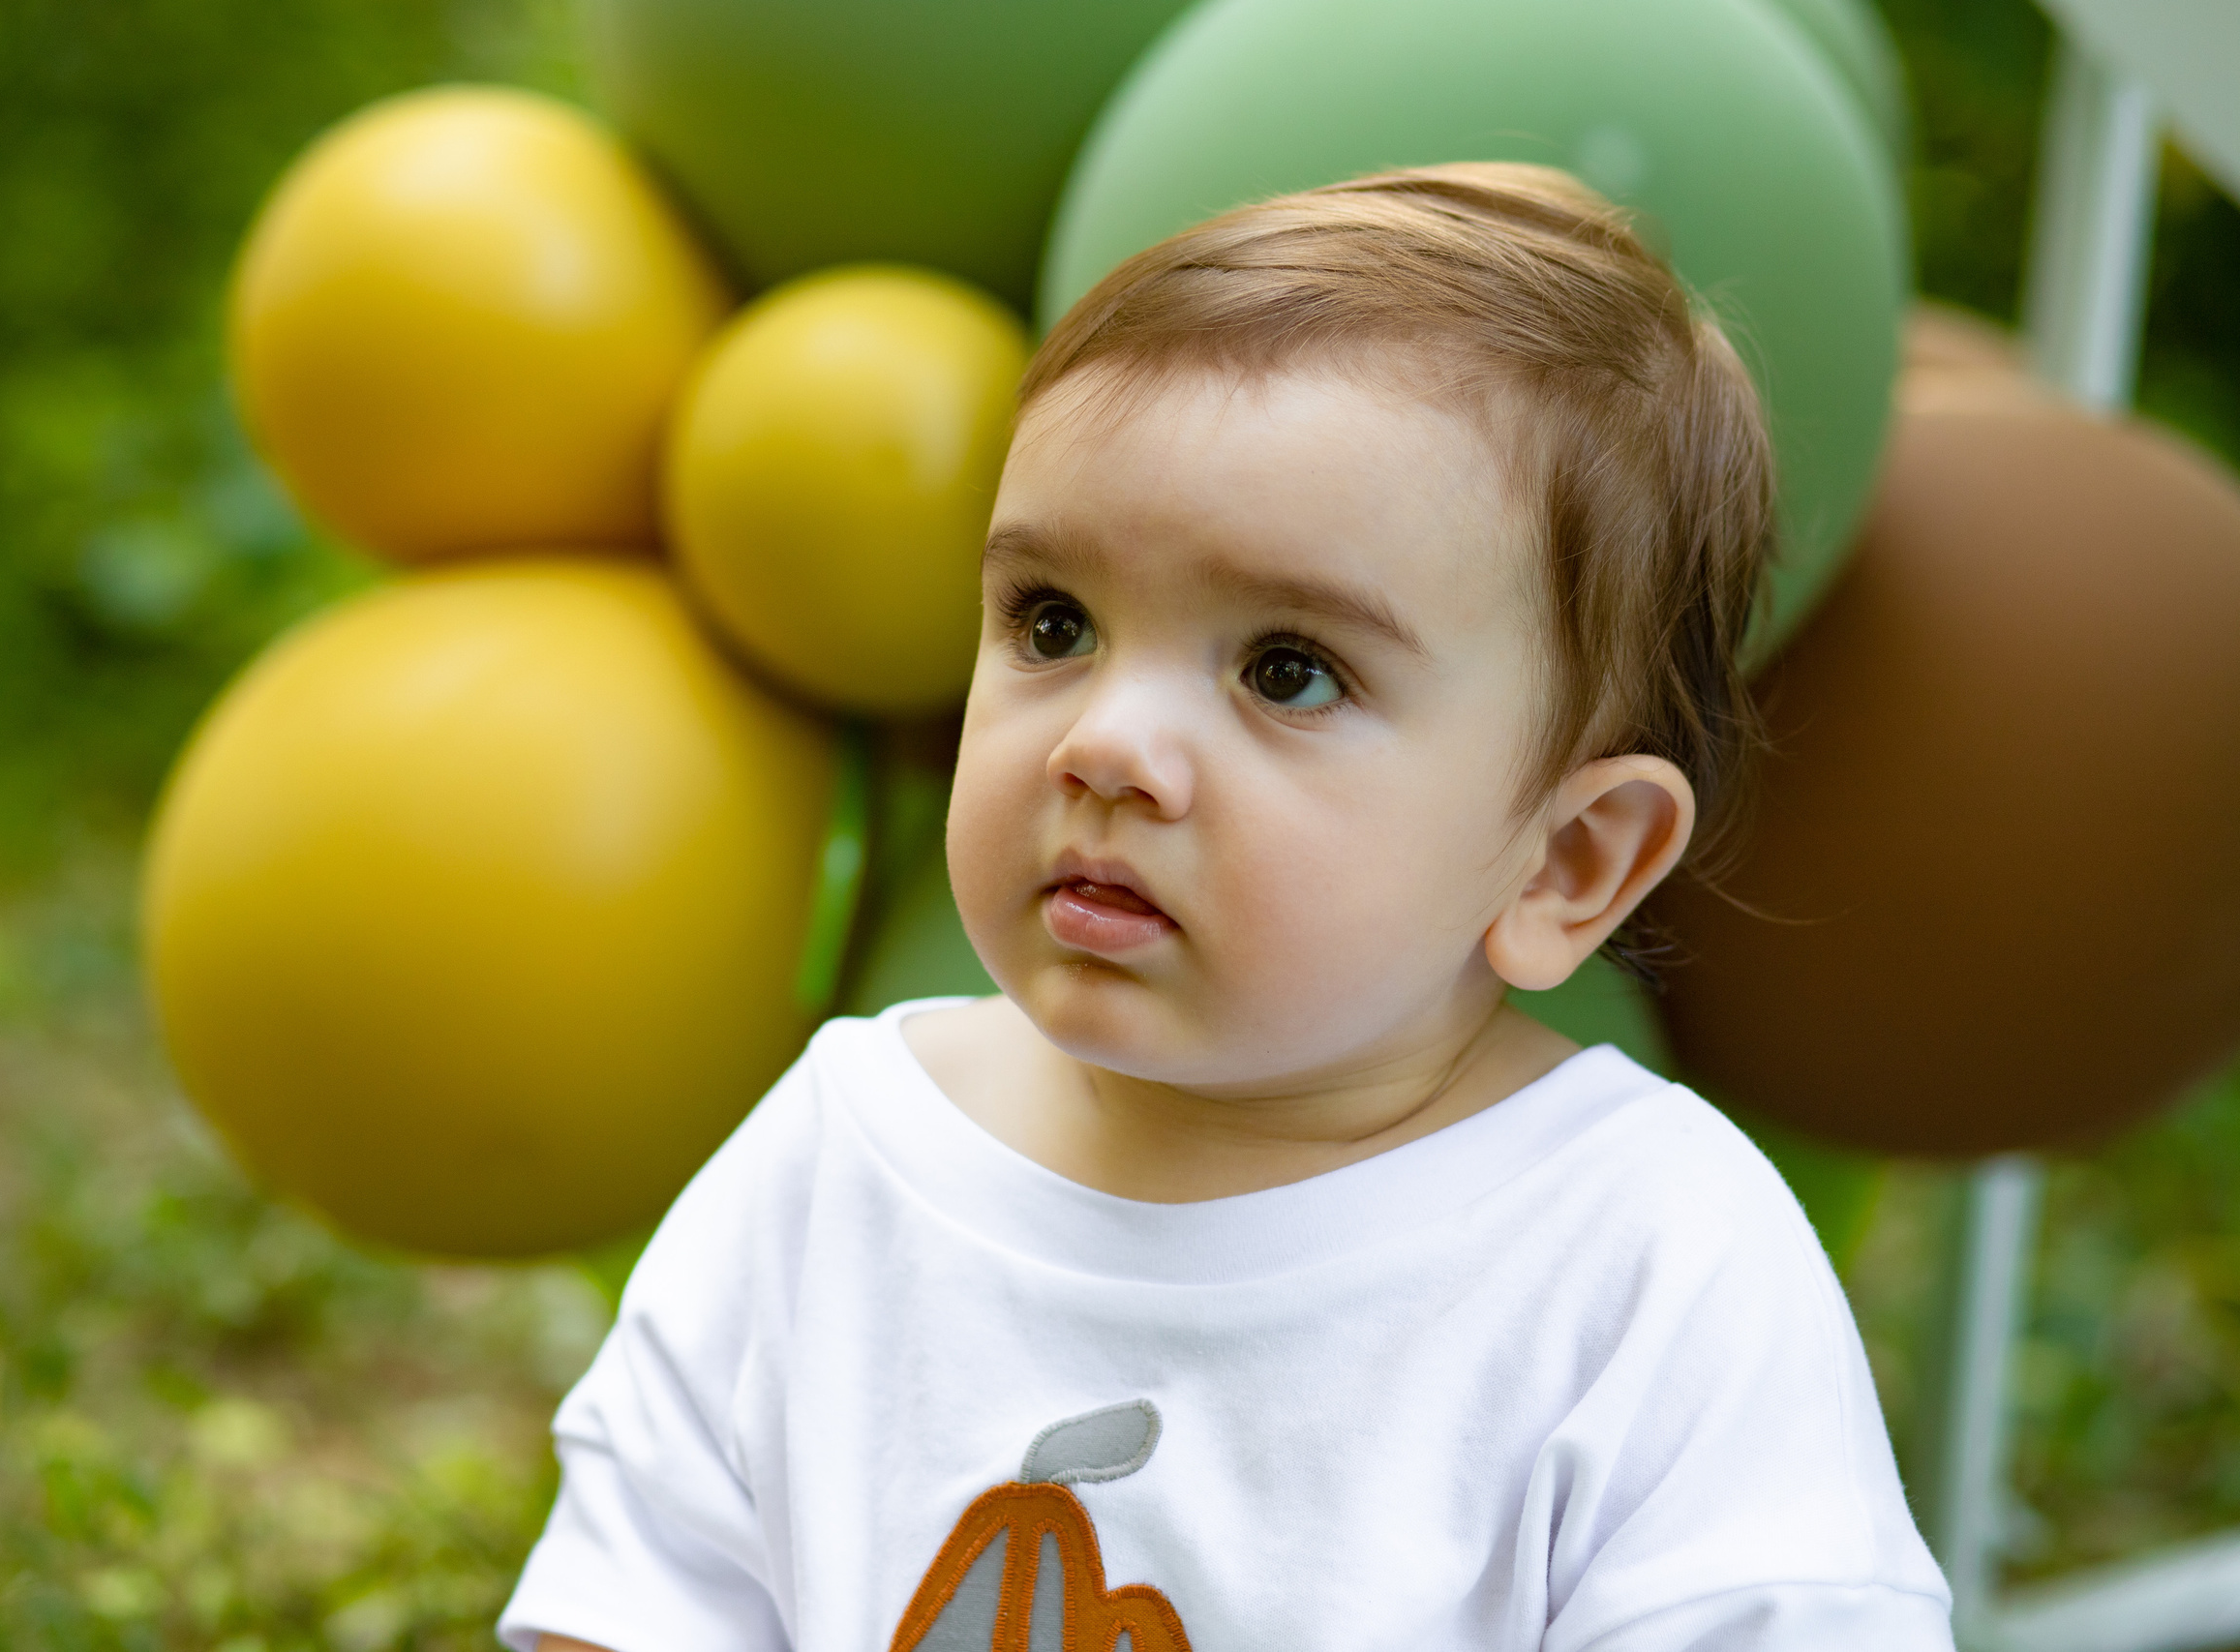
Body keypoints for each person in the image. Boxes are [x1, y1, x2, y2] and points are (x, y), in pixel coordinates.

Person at [500, 164, 1952, 1651]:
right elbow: (632, 1613)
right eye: (1051, 624)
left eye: (1288, 670)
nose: (1106, 744)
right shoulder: (840, 1158)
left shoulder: (1642, 1263)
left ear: (1562, 863)